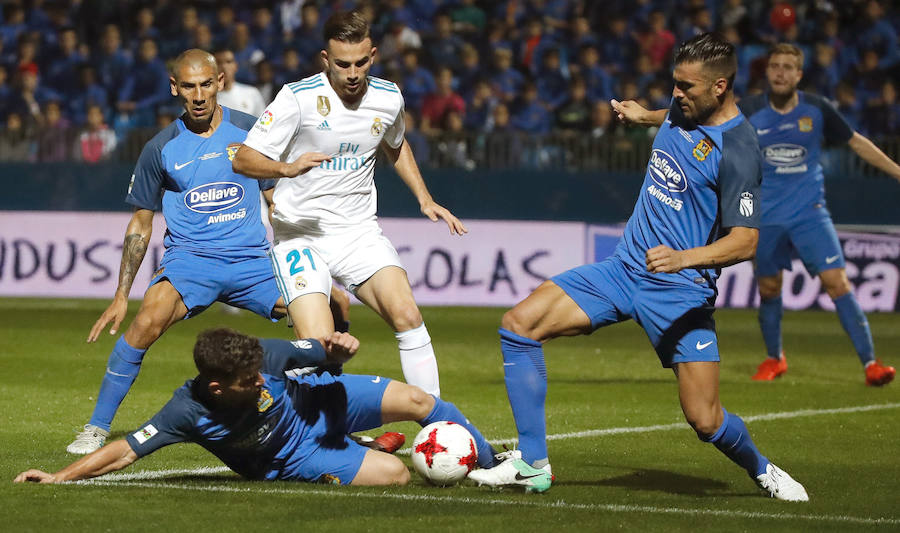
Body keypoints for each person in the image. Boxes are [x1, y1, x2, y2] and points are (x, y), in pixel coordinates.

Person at [469, 33, 808, 500]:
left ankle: (763, 469)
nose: (676, 95)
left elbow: (746, 241)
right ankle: (532, 463)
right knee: (518, 325)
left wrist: (681, 258)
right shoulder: (682, 107)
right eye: (675, 84)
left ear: (720, 87)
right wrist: (639, 115)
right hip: (624, 269)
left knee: (704, 419)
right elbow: (665, 113)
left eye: (687, 87)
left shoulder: (740, 149)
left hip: (681, 289)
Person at [66, 49, 321, 455]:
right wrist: (120, 297)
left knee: (319, 318)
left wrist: (307, 263)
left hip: (252, 262)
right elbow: (140, 224)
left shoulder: (251, 133)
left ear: (220, 82)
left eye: (206, 84)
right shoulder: (160, 148)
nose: (199, 95)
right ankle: (96, 428)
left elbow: (277, 201)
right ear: (175, 89)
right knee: (145, 322)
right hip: (191, 264)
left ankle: (324, 423)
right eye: (189, 86)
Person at [233, 11, 466, 398]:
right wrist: (286, 168)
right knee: (319, 346)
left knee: (408, 315)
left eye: (361, 62)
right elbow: (242, 158)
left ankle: (437, 426)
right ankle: (313, 424)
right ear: (326, 60)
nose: (353, 73)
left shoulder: (388, 97)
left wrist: (425, 198)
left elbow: (396, 145)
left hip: (358, 232)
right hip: (301, 236)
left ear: (373, 55)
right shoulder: (298, 98)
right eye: (343, 64)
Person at [17, 328, 500, 486]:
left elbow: (322, 354)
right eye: (249, 380)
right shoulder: (185, 412)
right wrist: (59, 477)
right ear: (218, 387)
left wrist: (338, 350)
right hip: (295, 458)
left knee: (419, 400)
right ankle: (360, 448)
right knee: (395, 476)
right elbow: (125, 450)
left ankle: (496, 465)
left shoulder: (262, 355)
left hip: (319, 402)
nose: (259, 378)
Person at [737, 44, 898, 385]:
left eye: (787, 67)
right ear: (767, 72)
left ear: (799, 74)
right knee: (768, 288)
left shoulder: (818, 109)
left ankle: (871, 364)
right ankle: (774, 359)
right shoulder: (748, 110)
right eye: (774, 66)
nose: (780, 72)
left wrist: (897, 171)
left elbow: (856, 142)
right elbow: (703, 120)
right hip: (764, 217)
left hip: (810, 213)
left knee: (837, 282)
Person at [214, 48, 268, 118]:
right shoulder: (206, 98)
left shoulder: (252, 93)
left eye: (228, 62)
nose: (224, 67)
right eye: (218, 63)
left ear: (236, 66)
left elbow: (263, 124)